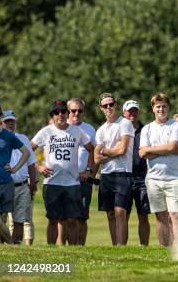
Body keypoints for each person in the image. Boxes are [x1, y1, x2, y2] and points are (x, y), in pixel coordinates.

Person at [31, 100, 93, 245]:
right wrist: (38, 166)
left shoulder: (77, 131)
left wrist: (88, 170)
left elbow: (92, 149)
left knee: (72, 219)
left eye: (63, 111)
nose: (60, 114)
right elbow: (28, 149)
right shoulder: (46, 131)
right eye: (56, 112)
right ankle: (51, 251)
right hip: (52, 183)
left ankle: (72, 251)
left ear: (67, 113)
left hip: (72, 183)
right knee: (53, 219)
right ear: (52, 115)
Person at [139, 93, 178, 247]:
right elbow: (143, 153)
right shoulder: (147, 129)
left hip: (174, 177)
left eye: (164, 106)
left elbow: (174, 147)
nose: (161, 109)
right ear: (153, 108)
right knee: (160, 216)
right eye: (158, 106)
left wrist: (152, 151)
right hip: (153, 179)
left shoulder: (176, 125)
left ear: (168, 107)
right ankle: (164, 249)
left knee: (176, 215)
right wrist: (167, 149)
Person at [94, 93, 135, 246]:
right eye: (105, 105)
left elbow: (122, 150)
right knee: (110, 214)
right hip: (106, 175)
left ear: (116, 105)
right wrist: (112, 151)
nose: (109, 107)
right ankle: (114, 246)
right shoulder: (100, 130)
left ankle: (121, 246)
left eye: (111, 104)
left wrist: (105, 151)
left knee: (120, 212)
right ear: (101, 108)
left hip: (122, 173)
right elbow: (96, 158)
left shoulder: (124, 123)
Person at [2, 111, 37, 245]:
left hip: (22, 186)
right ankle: (3, 248)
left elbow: (31, 162)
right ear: (1, 123)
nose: (10, 124)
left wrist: (32, 183)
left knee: (19, 221)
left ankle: (15, 247)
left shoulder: (23, 138)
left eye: (12, 121)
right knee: (2, 220)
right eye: (7, 121)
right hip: (4, 185)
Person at [67, 97, 97, 245]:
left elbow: (95, 154)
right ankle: (66, 249)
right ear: (67, 111)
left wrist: (90, 172)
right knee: (66, 217)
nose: (76, 113)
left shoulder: (90, 129)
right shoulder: (59, 127)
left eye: (80, 111)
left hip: (84, 180)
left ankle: (80, 249)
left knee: (82, 217)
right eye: (73, 110)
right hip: (64, 180)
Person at [123, 100, 150, 246]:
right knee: (123, 216)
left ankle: (144, 247)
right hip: (125, 176)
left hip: (142, 177)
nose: (132, 113)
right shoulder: (119, 130)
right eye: (129, 111)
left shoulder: (146, 130)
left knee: (143, 215)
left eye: (135, 111)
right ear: (124, 113)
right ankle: (122, 246)